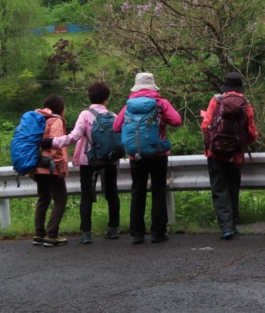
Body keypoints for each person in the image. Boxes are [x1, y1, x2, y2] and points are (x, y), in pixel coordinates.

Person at [46, 81, 121, 244]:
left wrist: (51, 142)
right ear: (106, 99)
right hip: (109, 159)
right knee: (112, 193)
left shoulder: (85, 115)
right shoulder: (113, 116)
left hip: (89, 160)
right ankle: (113, 229)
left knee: (86, 195)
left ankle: (86, 233)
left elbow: (74, 137)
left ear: (90, 97)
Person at [113, 72, 182, 244]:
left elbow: (116, 127)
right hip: (158, 153)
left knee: (138, 191)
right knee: (158, 191)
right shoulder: (161, 103)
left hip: (135, 154)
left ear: (136, 87)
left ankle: (137, 233)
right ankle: (158, 233)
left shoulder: (128, 105)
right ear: (152, 86)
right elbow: (177, 120)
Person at [200, 72, 257, 240]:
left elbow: (205, 125)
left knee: (219, 189)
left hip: (215, 153)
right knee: (233, 188)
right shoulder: (245, 104)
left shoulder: (216, 101)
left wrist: (213, 140)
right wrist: (240, 142)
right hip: (236, 155)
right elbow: (252, 132)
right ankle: (233, 224)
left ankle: (226, 227)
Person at [32, 94, 69, 247]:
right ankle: (52, 234)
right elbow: (56, 145)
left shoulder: (37, 119)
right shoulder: (56, 121)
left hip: (37, 165)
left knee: (43, 199)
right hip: (51, 166)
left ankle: (39, 234)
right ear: (61, 109)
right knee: (60, 200)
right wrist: (61, 167)